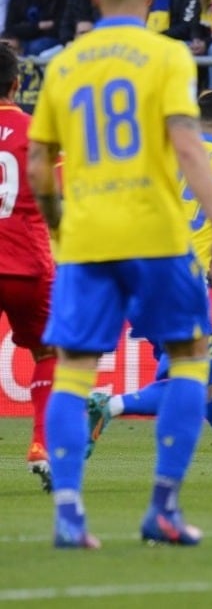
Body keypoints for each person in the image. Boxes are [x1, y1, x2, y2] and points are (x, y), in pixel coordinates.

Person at [26, 0, 212, 549]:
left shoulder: (64, 63)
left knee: (72, 371)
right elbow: (189, 146)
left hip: (87, 236)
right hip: (156, 234)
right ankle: (162, 510)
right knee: (191, 359)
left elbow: (41, 161)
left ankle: (69, 515)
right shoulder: (167, 54)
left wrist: (58, 224)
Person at [85, 90, 212, 485]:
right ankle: (108, 405)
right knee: (192, 387)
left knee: (205, 381)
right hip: (180, 282)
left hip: (134, 277)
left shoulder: (163, 154)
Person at [0, 43, 56, 493]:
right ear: (17, 84)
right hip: (27, 266)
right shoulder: (37, 132)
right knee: (48, 353)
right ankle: (42, 445)